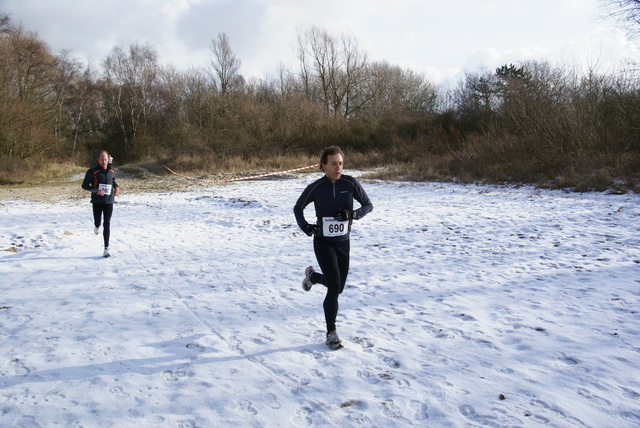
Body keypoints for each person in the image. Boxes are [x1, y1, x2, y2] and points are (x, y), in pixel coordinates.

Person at [293, 146, 373, 349]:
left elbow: (368, 205)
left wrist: (352, 214)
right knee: (335, 287)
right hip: (323, 242)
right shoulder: (316, 187)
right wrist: (305, 226)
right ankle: (331, 332)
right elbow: (298, 207)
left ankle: (314, 277)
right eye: (333, 163)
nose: (338, 167)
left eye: (341, 163)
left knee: (338, 286)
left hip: (343, 243)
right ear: (323, 166)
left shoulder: (350, 183)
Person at [82, 150, 119, 257]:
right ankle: (96, 226)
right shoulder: (92, 171)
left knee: (107, 223)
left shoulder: (111, 170)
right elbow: (85, 185)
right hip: (97, 201)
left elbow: (112, 180)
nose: (104, 162)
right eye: (102, 160)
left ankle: (106, 249)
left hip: (109, 200)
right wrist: (96, 190)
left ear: (108, 160)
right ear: (98, 160)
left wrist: (116, 187)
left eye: (105, 160)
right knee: (98, 222)